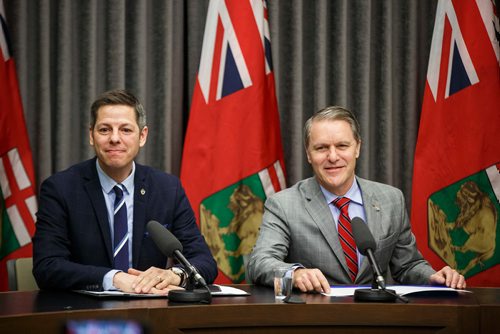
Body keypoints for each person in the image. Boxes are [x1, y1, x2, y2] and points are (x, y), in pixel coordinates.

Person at [247, 106, 466, 293]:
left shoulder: (391, 199)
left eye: (342, 146)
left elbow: (407, 265)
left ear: (357, 147)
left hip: (375, 321)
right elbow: (260, 262)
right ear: (308, 154)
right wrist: (295, 274)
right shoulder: (284, 205)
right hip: (314, 320)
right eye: (321, 148)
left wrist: (433, 277)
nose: (333, 157)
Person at [33, 89, 217, 294]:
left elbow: (204, 262)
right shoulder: (60, 189)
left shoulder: (167, 189)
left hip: (151, 310)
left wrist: (174, 274)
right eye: (104, 130)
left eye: (126, 130)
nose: (114, 138)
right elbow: (47, 266)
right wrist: (114, 279)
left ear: (142, 136)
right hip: (84, 313)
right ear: (91, 135)